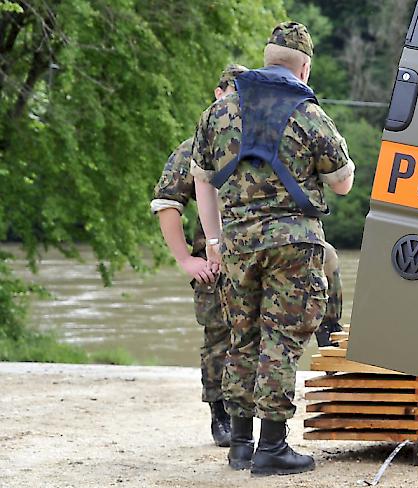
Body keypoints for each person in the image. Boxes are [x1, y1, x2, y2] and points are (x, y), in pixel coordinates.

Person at [191, 21, 355, 476]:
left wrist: (214, 241)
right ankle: (273, 448)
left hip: (237, 242)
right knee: (280, 342)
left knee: (241, 337)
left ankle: (240, 446)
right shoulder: (308, 112)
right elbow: (342, 185)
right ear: (304, 67)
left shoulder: (220, 113)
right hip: (293, 244)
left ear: (266, 60)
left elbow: (202, 182)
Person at [151, 64, 249, 448]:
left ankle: (252, 415)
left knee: (255, 340)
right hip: (213, 264)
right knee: (219, 339)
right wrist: (185, 260)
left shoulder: (257, 139)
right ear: (217, 92)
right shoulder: (195, 146)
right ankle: (220, 416)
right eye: (231, 93)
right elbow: (166, 203)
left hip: (255, 258)